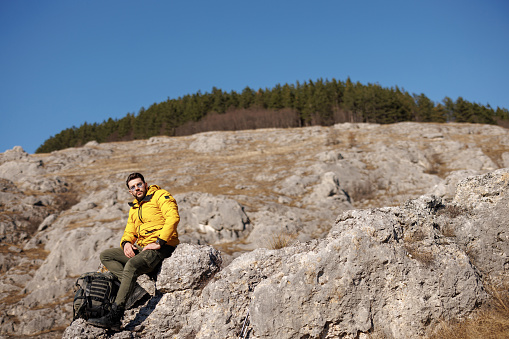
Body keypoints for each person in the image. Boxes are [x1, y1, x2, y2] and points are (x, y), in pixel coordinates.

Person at [87, 172, 180, 330]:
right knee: (106, 256)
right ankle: (134, 289)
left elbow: (173, 217)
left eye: (139, 184)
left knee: (130, 265)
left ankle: (115, 316)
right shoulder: (135, 207)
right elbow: (130, 231)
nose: (137, 188)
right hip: (143, 248)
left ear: (145, 184)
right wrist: (126, 244)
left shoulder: (160, 195)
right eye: (133, 187)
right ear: (130, 191)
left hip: (161, 247)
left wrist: (159, 242)